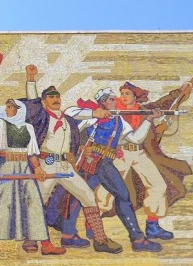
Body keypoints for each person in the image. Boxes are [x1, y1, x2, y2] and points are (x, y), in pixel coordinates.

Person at [17, 65, 124, 254]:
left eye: (57, 97)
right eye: (51, 97)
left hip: (65, 165)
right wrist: (30, 79)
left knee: (88, 196)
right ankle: (31, 239)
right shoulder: (41, 117)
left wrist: (96, 114)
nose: (55, 100)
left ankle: (100, 240)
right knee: (38, 199)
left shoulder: (68, 119)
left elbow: (75, 112)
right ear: (43, 102)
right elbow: (33, 102)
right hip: (46, 162)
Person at [61, 87, 164, 252]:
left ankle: (68, 235)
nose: (115, 101)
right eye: (110, 99)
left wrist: (149, 120)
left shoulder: (120, 121)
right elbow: (69, 112)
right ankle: (137, 239)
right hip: (89, 161)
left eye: (114, 99)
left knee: (83, 196)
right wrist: (95, 114)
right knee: (82, 196)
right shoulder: (93, 116)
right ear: (102, 102)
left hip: (105, 162)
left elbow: (136, 139)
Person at [103, 81, 193, 240]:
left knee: (158, 185)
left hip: (139, 153)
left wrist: (181, 91)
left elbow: (165, 103)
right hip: (120, 153)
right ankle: (93, 220)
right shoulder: (113, 109)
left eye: (127, 94)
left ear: (135, 97)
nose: (123, 96)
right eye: (122, 93)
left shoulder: (145, 110)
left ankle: (153, 225)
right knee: (106, 188)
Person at [0, 98, 63, 257]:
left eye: (11, 107)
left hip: (25, 168)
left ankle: (45, 244)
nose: (7, 110)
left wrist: (38, 168)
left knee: (33, 204)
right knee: (0, 203)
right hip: (5, 166)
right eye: (7, 107)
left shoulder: (28, 128)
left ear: (20, 110)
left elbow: (32, 152)